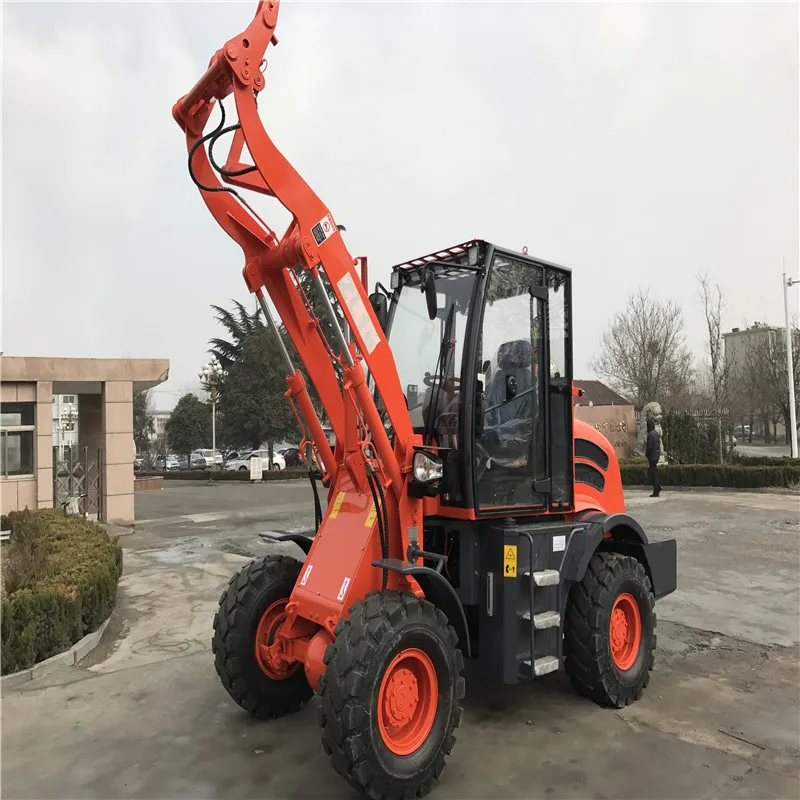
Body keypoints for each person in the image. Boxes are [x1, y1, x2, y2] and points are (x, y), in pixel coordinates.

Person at [645, 418, 661, 497]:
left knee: (653, 474)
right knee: (655, 472)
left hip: (652, 456)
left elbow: (649, 447)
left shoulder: (650, 434)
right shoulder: (655, 433)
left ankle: (656, 490)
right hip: (656, 456)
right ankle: (658, 487)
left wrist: (646, 454)